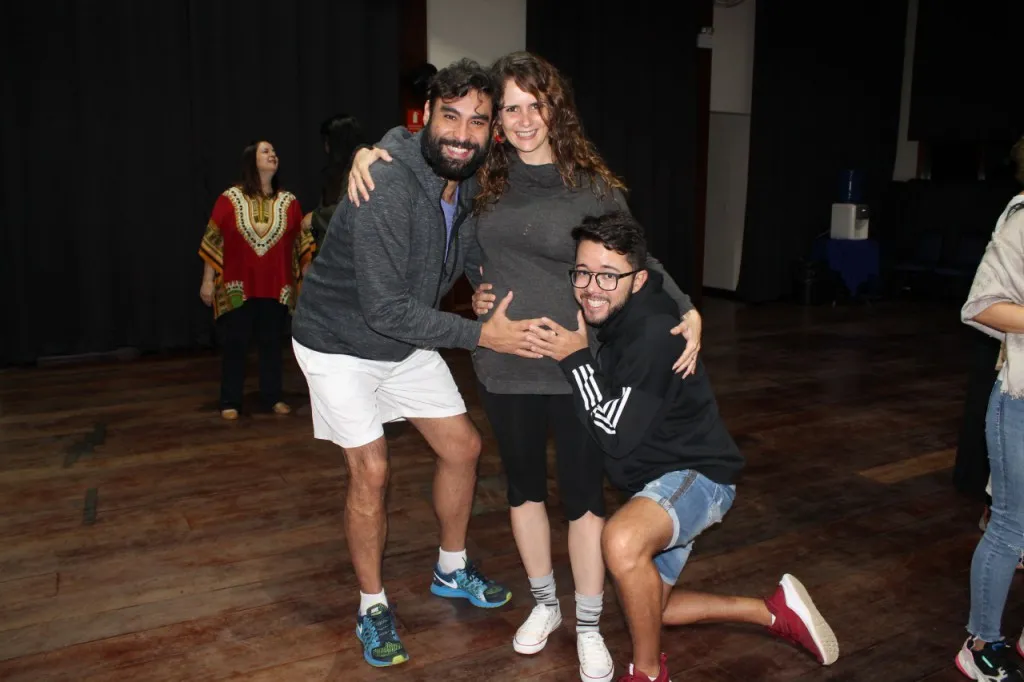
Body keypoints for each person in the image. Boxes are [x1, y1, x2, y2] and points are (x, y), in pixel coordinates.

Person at [347, 51, 703, 682]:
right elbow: (452, 217)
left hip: (577, 364)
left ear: (555, 109)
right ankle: (545, 605)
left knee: (584, 498)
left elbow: (639, 261)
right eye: (509, 108)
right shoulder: (484, 180)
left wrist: (687, 307)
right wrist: (371, 153)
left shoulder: (593, 186)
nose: (522, 119)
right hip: (505, 362)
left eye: (534, 105)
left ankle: (588, 624)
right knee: (524, 491)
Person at [290, 59, 542, 669]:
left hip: (400, 341)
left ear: (492, 131)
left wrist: (480, 286)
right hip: (337, 342)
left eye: (477, 121)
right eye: (450, 117)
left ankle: (451, 568)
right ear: (425, 116)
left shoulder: (470, 182)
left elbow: (470, 246)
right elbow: (385, 310)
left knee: (463, 448)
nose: (461, 133)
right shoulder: (387, 185)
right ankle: (371, 604)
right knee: (371, 470)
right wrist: (483, 335)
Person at [524, 211, 839, 682]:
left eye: (608, 275)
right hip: (658, 479)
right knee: (653, 608)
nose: (591, 287)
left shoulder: (653, 333)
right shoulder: (621, 317)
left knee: (622, 541)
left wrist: (575, 359)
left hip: (698, 475)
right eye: (583, 273)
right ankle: (773, 611)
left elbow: (613, 432)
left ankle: (648, 673)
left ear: (639, 279)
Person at [957, 135, 1024, 681]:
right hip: (1020, 401)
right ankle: (981, 642)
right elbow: (982, 306)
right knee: (1010, 527)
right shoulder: (1021, 219)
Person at [198, 140, 314, 420]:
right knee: (235, 343)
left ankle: (273, 396)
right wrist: (207, 280)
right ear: (252, 160)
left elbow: (302, 245)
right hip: (237, 286)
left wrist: (308, 283)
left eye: (274, 151)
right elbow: (214, 238)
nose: (273, 154)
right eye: (266, 151)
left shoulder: (289, 202)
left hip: (277, 286)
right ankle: (230, 400)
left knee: (272, 343)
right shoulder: (230, 199)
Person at [301, 113, 366, 252]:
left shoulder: (360, 170)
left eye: (328, 141)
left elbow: (350, 212)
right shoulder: (334, 174)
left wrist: (314, 218)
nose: (325, 147)